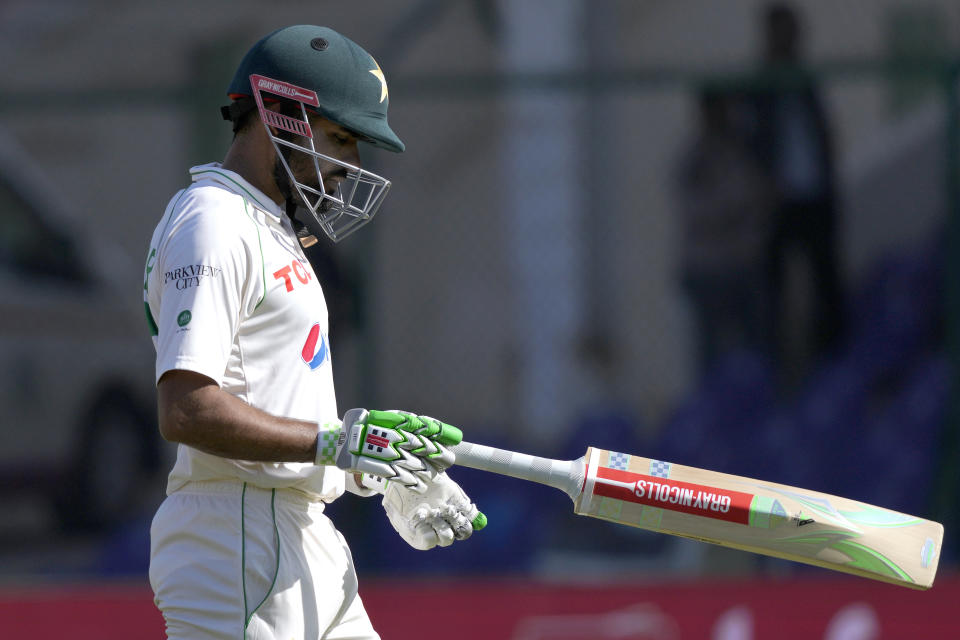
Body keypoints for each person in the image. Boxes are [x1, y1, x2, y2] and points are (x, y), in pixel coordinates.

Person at [142, 25, 484, 639]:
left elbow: (276, 400)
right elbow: (186, 409)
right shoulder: (215, 222)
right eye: (341, 138)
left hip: (300, 536)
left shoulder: (267, 226)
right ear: (276, 113)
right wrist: (339, 445)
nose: (349, 165)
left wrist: (372, 467)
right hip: (240, 538)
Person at [747, 3, 844, 378]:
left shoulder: (806, 81)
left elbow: (822, 136)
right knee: (775, 294)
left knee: (826, 285)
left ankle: (831, 367)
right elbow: (753, 143)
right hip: (778, 203)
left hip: (816, 198)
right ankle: (779, 372)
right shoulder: (760, 87)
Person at [675, 86, 774, 373]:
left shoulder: (743, 153)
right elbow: (702, 213)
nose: (725, 118)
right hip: (708, 271)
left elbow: (761, 200)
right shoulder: (694, 159)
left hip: (743, 266)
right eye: (717, 111)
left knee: (755, 350)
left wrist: (738, 212)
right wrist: (733, 212)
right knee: (710, 353)